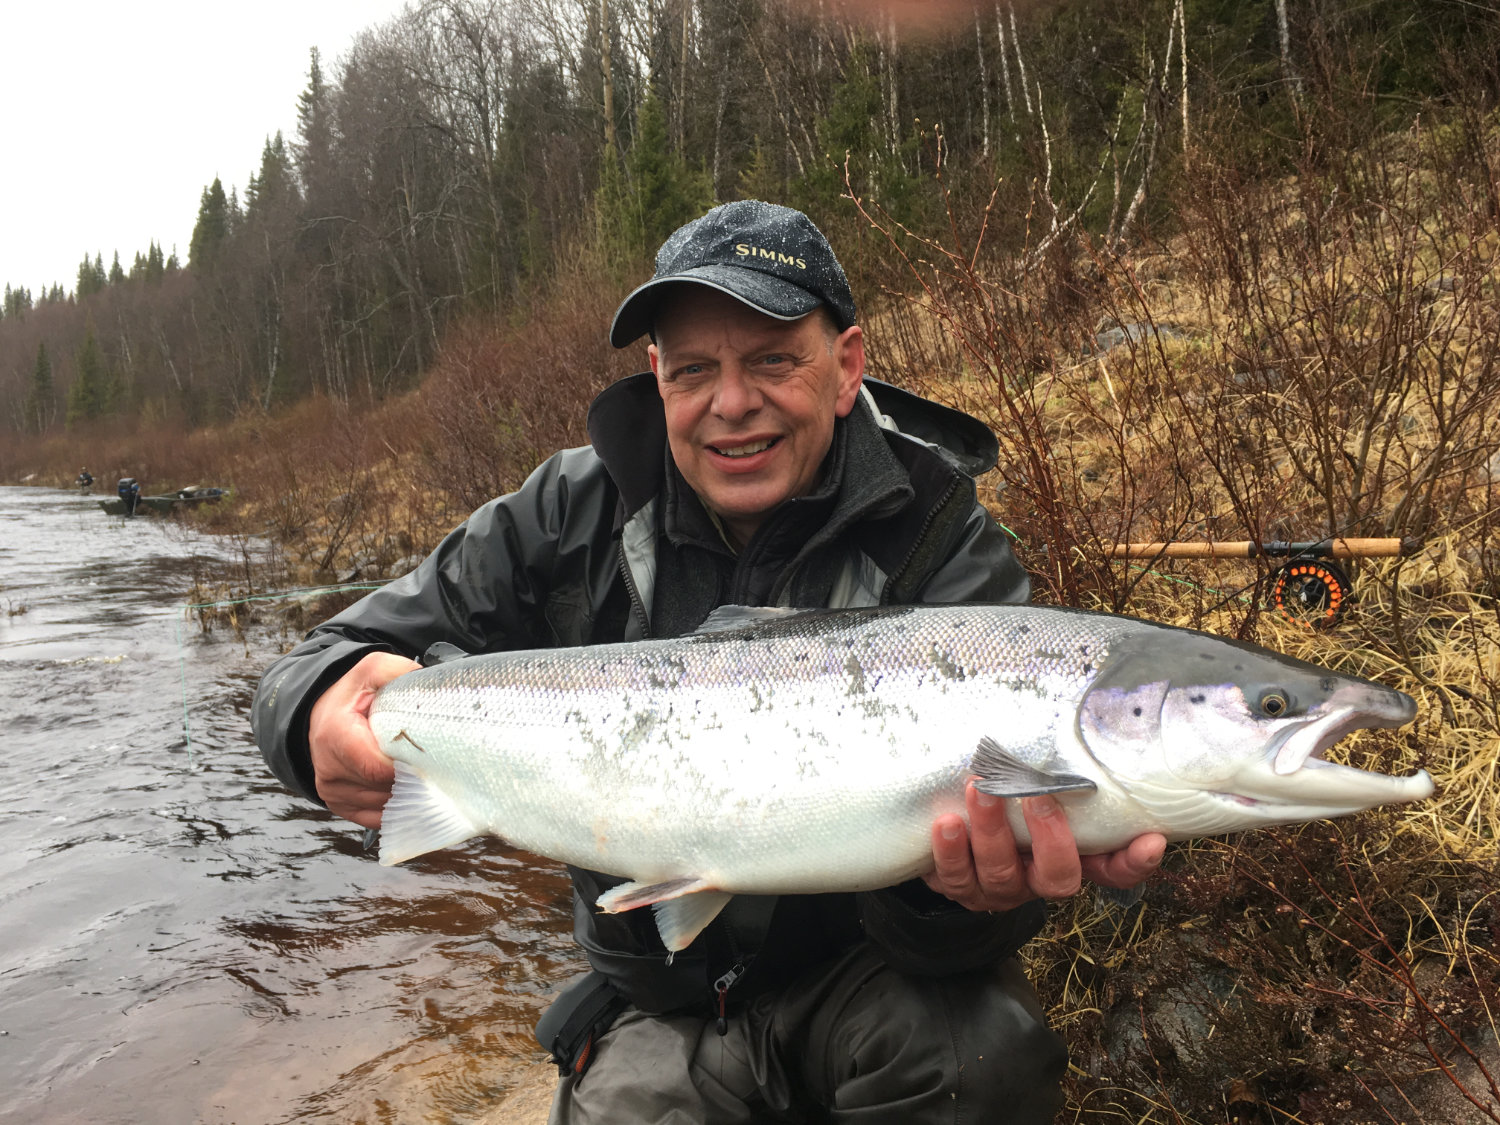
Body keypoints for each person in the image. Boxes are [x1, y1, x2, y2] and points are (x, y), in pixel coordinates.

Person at [251, 200, 1165, 1123]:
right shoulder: (566, 512)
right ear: (658, 376)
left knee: (985, 1053)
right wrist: (318, 711)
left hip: (870, 983)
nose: (732, 403)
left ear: (846, 365)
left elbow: (984, 915)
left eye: (772, 359)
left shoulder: (939, 534)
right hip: (660, 1001)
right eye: (695, 369)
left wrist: (958, 901)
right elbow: (318, 661)